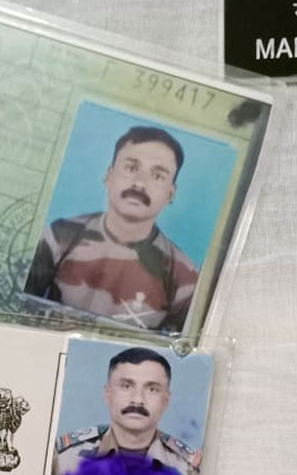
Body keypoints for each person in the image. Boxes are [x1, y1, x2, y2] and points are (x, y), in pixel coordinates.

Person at [24, 126, 199, 332]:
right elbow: (14, 312)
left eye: (157, 176)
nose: (140, 183)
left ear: (171, 193)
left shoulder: (183, 277)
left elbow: (180, 349)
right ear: (109, 176)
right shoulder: (58, 238)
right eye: (131, 168)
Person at [48, 347, 201, 475]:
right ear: (108, 394)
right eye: (126, 386)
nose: (137, 400)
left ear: (166, 400)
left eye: (152, 389)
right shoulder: (64, 459)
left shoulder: (189, 473)